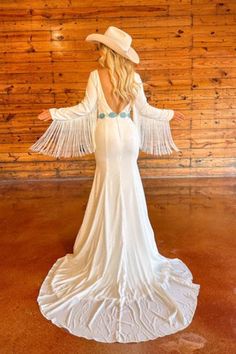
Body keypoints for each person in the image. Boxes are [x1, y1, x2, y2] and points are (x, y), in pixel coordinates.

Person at [29, 26, 200, 343]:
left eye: (102, 49)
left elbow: (83, 110)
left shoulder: (97, 76)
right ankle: (131, 245)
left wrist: (52, 112)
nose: (99, 54)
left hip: (107, 137)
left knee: (108, 188)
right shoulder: (132, 79)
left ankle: (106, 245)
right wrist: (170, 115)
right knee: (129, 186)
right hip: (128, 137)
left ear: (109, 52)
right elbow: (146, 111)